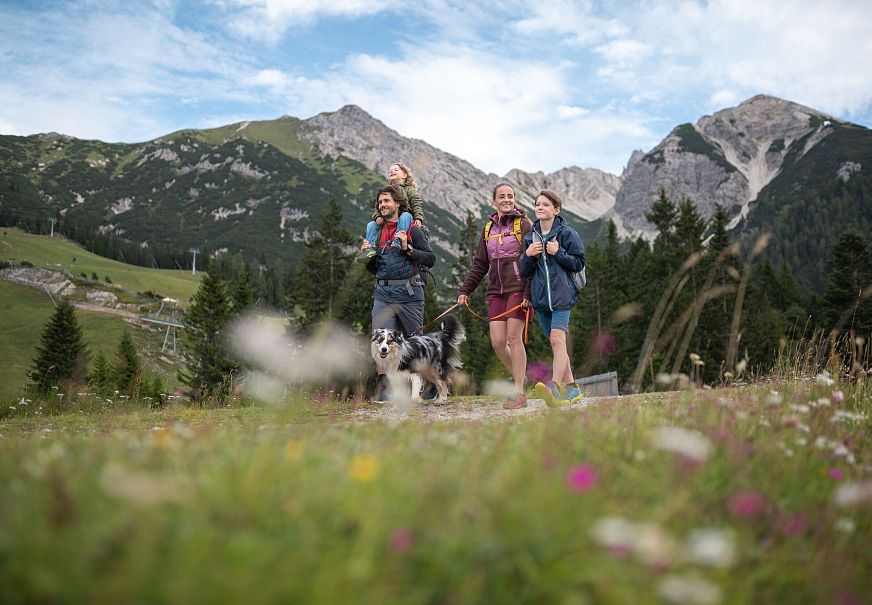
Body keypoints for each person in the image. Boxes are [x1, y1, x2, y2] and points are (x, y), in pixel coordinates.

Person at [457, 183, 532, 409]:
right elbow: (480, 265)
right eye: (502, 196)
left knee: (513, 338)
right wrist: (465, 291)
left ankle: (518, 391)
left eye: (510, 196)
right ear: (494, 201)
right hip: (495, 292)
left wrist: (528, 292)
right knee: (498, 342)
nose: (507, 200)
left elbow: (532, 262)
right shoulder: (488, 229)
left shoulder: (524, 224)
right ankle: (521, 377)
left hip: (518, 289)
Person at [362, 184, 435, 402]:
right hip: (383, 293)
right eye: (380, 202)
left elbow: (430, 258)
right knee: (380, 340)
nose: (383, 205)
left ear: (397, 204)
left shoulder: (412, 229)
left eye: (387, 201)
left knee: (415, 342)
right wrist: (368, 257)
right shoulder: (376, 231)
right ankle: (387, 387)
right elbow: (373, 268)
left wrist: (408, 249)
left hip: (410, 294)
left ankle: (427, 384)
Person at [519, 190, 586, 407]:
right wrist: (528, 255)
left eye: (545, 205)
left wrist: (559, 253)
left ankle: (553, 388)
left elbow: (579, 264)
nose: (540, 207)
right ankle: (573, 388)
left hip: (562, 296)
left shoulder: (567, 234)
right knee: (558, 345)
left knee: (557, 340)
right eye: (537, 204)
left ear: (556, 210)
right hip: (541, 300)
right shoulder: (530, 237)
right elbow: (524, 271)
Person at [358, 163, 425, 262]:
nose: (392, 171)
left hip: (405, 217)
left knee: (405, 215)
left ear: (404, 175)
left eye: (396, 170)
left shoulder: (409, 189)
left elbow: (416, 204)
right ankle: (369, 251)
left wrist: (418, 218)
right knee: (371, 225)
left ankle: (397, 241)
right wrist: (377, 217)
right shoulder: (386, 191)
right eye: (390, 170)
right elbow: (377, 207)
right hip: (388, 218)